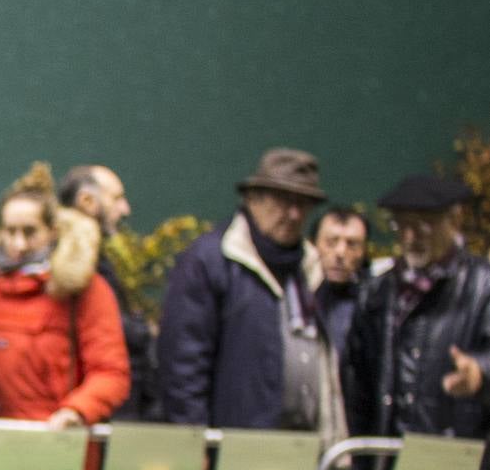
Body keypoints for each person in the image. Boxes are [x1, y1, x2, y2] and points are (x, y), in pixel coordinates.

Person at [154, 148, 342, 436]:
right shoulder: (210, 261)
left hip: (304, 443)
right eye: (283, 201)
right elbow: (183, 364)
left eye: (303, 204)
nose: (293, 214)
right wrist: (194, 441)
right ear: (252, 199)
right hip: (236, 445)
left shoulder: (310, 266)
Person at [0, 164, 128, 427]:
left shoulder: (84, 289)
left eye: (30, 232)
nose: (18, 244)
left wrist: (76, 411)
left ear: (52, 231)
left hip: (60, 444)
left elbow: (111, 371)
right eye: (10, 232)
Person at [342, 174, 490, 443]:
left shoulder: (482, 285)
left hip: (461, 456)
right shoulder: (377, 292)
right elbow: (357, 385)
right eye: (401, 225)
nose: (410, 237)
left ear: (453, 221)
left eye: (423, 226)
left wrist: (480, 374)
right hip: (387, 455)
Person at [58, 164, 152, 418]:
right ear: (87, 201)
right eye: (117, 198)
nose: (125, 209)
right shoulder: (71, 266)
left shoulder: (101, 257)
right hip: (87, 414)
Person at [312, 206, 369, 356]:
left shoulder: (374, 304)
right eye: (331, 242)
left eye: (352, 244)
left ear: (364, 252)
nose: (340, 253)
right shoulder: (293, 295)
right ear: (314, 244)